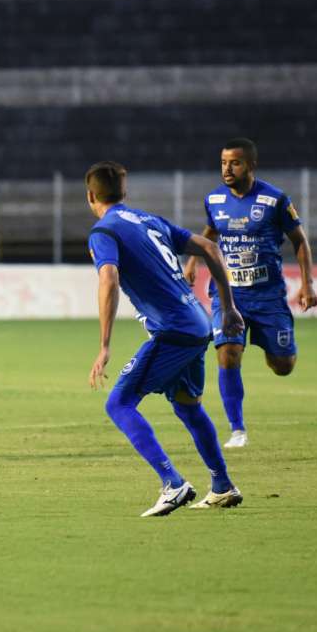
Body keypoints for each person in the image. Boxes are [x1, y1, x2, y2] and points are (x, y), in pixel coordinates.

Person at [86, 161, 245, 516]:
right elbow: (208, 247)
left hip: (173, 330)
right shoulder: (148, 220)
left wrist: (105, 344)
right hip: (199, 323)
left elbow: (108, 280)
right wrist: (229, 307)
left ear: (90, 196)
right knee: (188, 406)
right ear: (124, 193)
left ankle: (173, 483)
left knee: (119, 403)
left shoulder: (104, 232)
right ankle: (222, 486)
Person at [181, 138, 317, 448]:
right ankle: (237, 430)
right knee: (227, 355)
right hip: (229, 295)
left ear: (251, 166)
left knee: (283, 365)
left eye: (235, 163)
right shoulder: (214, 200)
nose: (227, 169)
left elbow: (299, 240)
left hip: (268, 296)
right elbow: (211, 231)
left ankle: (274, 349)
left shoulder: (275, 200)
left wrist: (307, 284)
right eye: (223, 163)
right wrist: (192, 262)